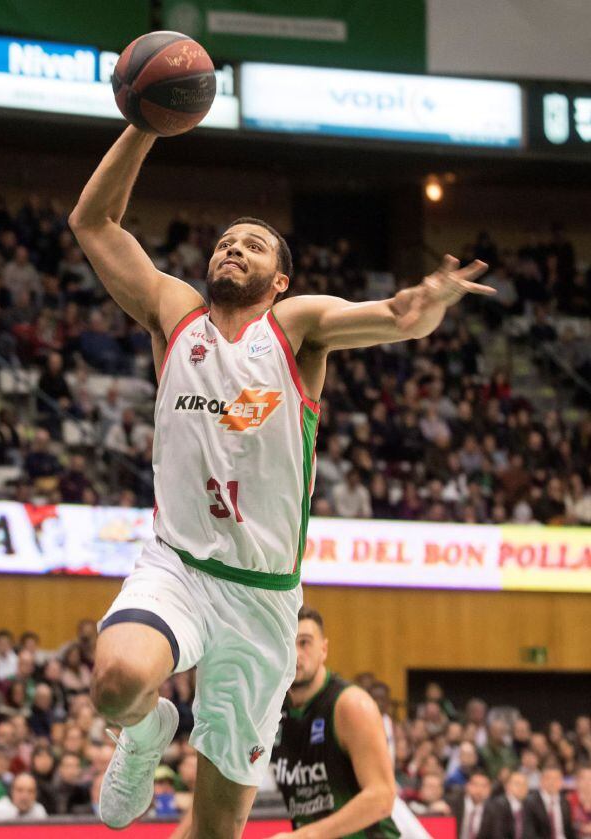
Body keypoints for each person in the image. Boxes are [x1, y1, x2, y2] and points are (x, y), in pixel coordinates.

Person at [70, 120, 492, 837]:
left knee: (214, 831)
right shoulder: (175, 314)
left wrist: (425, 303)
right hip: (178, 565)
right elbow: (93, 221)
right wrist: (145, 124)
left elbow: (394, 316)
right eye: (226, 241)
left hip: (264, 602)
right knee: (117, 684)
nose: (234, 248)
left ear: (281, 277)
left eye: (254, 244)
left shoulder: (293, 327)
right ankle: (145, 736)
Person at [173, 607, 398, 839]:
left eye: (305, 643)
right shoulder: (269, 709)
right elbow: (218, 789)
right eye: (289, 643)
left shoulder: (351, 706)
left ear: (324, 649)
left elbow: (382, 797)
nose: (296, 653)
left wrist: (304, 836)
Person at [480, 771, 548, 839]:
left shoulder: (530, 806)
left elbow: (534, 832)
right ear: (507, 786)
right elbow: (497, 834)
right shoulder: (496, 806)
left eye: (525, 784)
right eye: (518, 784)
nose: (522, 787)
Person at [526, 763, 577, 839]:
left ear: (561, 782)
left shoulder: (565, 802)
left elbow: (569, 831)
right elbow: (529, 833)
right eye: (549, 778)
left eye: (557, 778)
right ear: (541, 781)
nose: (553, 782)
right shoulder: (530, 802)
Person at [447, 769, 492, 839]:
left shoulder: (493, 811)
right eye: (475, 785)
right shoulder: (452, 805)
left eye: (484, 786)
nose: (479, 790)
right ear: (467, 786)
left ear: (489, 790)